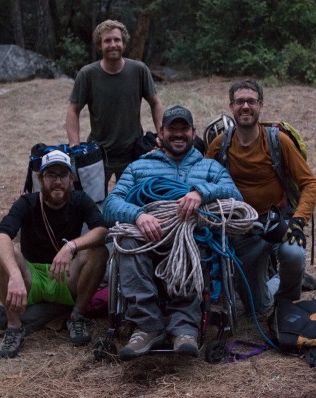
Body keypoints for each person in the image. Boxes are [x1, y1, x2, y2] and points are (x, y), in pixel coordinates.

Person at [102, 105, 242, 360]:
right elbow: (111, 205)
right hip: (148, 238)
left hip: (192, 237)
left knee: (188, 238)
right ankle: (147, 325)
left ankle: (185, 327)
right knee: (128, 241)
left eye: (184, 129)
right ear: (161, 133)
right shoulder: (138, 168)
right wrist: (138, 215)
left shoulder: (209, 168)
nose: (178, 134)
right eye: (172, 129)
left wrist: (201, 193)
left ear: (193, 132)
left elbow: (236, 195)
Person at [205, 79, 316, 317]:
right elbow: (204, 181)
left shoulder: (279, 141)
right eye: (239, 102)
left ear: (261, 106)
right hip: (243, 229)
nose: (245, 106)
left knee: (293, 253)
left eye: (251, 101)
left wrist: (298, 221)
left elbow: (310, 183)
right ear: (231, 106)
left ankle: (287, 306)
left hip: (279, 221)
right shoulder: (220, 145)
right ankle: (283, 282)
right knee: (257, 309)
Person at [0, 150, 108, 358]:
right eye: (51, 175)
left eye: (63, 175)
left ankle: (76, 316)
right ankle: (14, 326)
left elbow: (102, 231)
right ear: (40, 179)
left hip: (64, 275)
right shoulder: (28, 203)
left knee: (97, 251)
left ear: (71, 179)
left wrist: (71, 246)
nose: (57, 181)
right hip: (31, 279)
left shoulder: (80, 200)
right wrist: (15, 275)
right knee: (5, 254)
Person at [66, 19, 164, 192]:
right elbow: (73, 110)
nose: (113, 45)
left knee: (132, 203)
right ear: (99, 45)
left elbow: (155, 102)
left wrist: (162, 133)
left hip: (132, 153)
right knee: (94, 203)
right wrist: (75, 145)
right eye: (107, 41)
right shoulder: (87, 74)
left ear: (124, 43)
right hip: (98, 154)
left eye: (117, 40)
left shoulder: (139, 70)